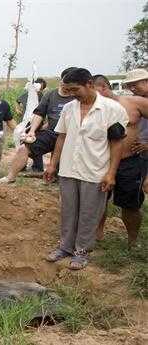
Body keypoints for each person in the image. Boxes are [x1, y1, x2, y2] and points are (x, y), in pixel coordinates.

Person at [44, 68, 128, 270]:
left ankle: (82, 251)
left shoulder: (111, 109)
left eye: (75, 89)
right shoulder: (69, 108)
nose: (72, 94)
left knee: (89, 213)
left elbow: (117, 143)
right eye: (68, 90)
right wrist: (53, 164)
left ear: (89, 84)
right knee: (68, 210)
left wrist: (111, 173)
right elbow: (62, 137)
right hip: (68, 169)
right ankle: (65, 247)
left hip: (95, 170)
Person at [0, 68, 77, 184]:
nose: (68, 89)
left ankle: (60, 182)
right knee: (24, 147)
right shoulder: (51, 95)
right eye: (66, 84)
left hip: (71, 136)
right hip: (51, 133)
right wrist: (32, 131)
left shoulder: (78, 96)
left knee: (64, 167)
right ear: (62, 81)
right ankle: (10, 177)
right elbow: (39, 113)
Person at [93, 74, 148, 248]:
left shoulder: (134, 103)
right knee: (98, 200)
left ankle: (132, 241)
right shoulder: (91, 108)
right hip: (101, 161)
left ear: (103, 88)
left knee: (129, 205)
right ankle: (97, 235)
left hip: (129, 161)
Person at [15, 78, 47, 172]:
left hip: (37, 124)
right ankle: (22, 166)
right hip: (24, 123)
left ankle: (37, 167)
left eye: (40, 87)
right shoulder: (28, 94)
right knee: (22, 144)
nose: (38, 88)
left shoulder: (43, 97)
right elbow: (17, 101)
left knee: (35, 144)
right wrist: (18, 109)